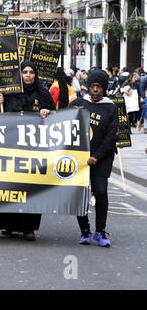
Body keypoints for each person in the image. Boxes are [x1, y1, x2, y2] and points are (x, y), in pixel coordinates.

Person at [0, 61, 56, 241]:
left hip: (34, 149)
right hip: (11, 146)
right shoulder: (10, 93)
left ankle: (28, 228)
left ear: (35, 75)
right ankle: (7, 225)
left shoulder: (43, 93)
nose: (27, 75)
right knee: (9, 185)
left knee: (31, 186)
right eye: (24, 72)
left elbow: (55, 116)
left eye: (31, 72)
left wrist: (46, 112)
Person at [69, 70, 118, 247]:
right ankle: (85, 230)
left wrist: (96, 157)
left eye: (99, 87)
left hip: (101, 158)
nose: (95, 90)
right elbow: (60, 120)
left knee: (101, 191)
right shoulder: (79, 103)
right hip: (81, 159)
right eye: (92, 86)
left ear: (104, 89)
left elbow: (111, 136)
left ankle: (100, 231)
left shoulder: (111, 107)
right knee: (80, 194)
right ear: (88, 87)